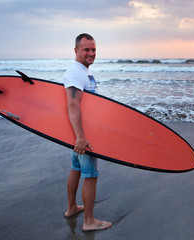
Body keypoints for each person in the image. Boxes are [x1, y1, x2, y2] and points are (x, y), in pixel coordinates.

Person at [62, 33, 112, 231]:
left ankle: (72, 208)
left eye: (93, 50)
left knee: (76, 169)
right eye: (86, 50)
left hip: (78, 133)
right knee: (90, 175)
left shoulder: (81, 71)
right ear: (76, 51)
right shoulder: (76, 73)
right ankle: (89, 221)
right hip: (83, 135)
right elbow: (73, 105)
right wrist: (81, 137)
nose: (91, 53)